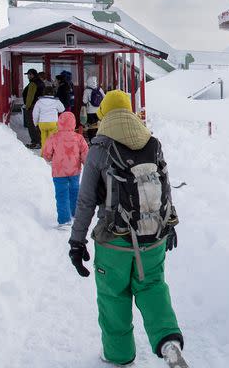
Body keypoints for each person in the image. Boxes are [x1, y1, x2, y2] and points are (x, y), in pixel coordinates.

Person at [68, 90, 188, 367]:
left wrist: (77, 242)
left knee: (113, 296)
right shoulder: (152, 143)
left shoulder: (100, 148)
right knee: (153, 286)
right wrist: (170, 223)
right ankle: (168, 341)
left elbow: (86, 200)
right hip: (153, 237)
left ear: (104, 114)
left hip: (114, 241)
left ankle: (119, 355)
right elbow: (165, 185)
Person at [43, 111, 89, 229]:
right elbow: (85, 154)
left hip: (59, 172)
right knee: (75, 191)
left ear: (59, 123)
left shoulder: (54, 137)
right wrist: (86, 164)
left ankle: (64, 220)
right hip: (75, 171)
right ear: (73, 124)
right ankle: (75, 213)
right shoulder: (79, 138)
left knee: (62, 194)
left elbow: (46, 153)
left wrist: (49, 159)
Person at [32, 83, 65, 155]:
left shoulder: (39, 102)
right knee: (52, 139)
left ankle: (44, 154)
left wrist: (35, 123)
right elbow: (62, 109)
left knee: (44, 139)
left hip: (42, 123)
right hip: (53, 123)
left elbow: (35, 113)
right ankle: (52, 154)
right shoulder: (56, 101)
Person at [22, 68, 44, 149]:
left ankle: (35, 142)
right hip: (39, 106)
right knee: (37, 125)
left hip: (32, 107)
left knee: (31, 124)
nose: (28, 76)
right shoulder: (40, 82)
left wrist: (27, 107)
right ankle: (40, 141)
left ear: (32, 75)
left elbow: (30, 97)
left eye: (28, 74)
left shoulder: (33, 83)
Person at [82, 76, 105, 142]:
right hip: (99, 111)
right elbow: (105, 97)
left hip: (90, 112)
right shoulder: (99, 89)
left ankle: (91, 141)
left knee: (91, 127)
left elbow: (84, 101)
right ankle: (99, 140)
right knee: (98, 126)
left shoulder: (86, 90)